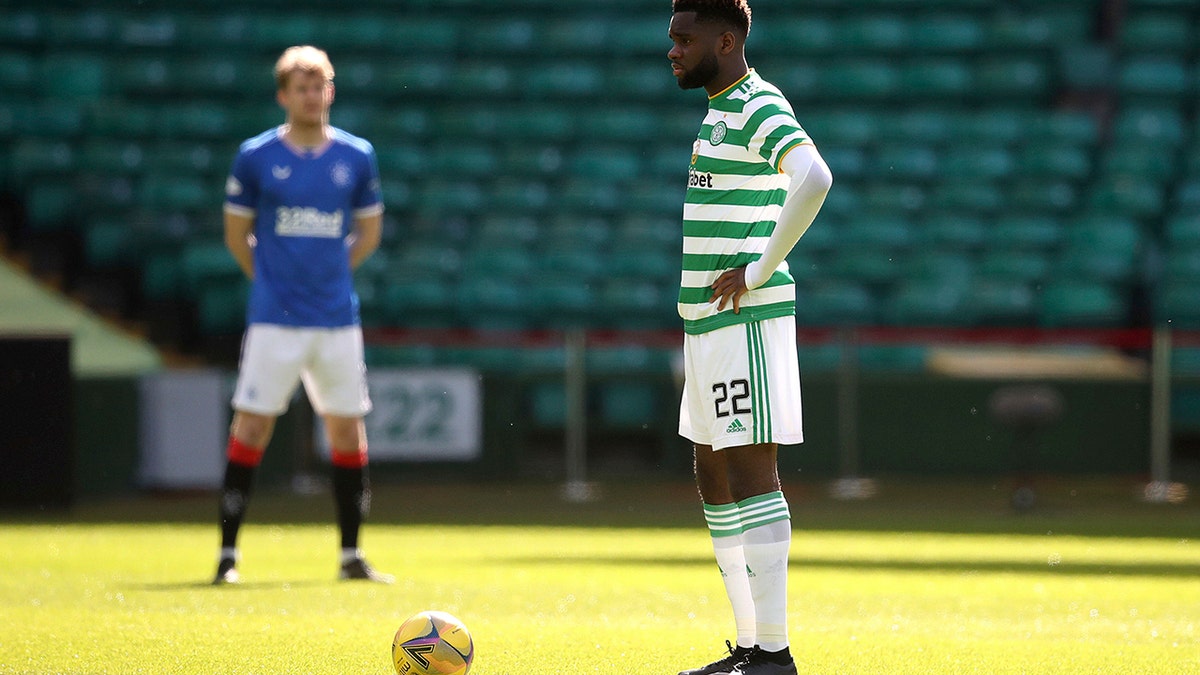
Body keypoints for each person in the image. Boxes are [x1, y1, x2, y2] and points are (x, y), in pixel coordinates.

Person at [668, 2, 833, 674]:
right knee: (712, 472)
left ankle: (775, 653)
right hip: (706, 324)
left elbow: (814, 177)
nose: (673, 51)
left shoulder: (758, 102)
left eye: (685, 39)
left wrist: (760, 268)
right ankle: (747, 646)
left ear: (726, 40)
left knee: (751, 472)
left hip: (746, 321)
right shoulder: (718, 110)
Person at [213, 45, 392, 585]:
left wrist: (329, 275)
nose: (312, 96)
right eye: (301, 88)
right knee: (252, 425)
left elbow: (369, 234)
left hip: (336, 318)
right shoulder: (256, 156)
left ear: (330, 91)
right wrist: (270, 279)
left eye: (320, 86)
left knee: (346, 432)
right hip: (274, 318)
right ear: (283, 95)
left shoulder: (357, 156)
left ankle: (350, 555)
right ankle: (227, 554)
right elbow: (235, 235)